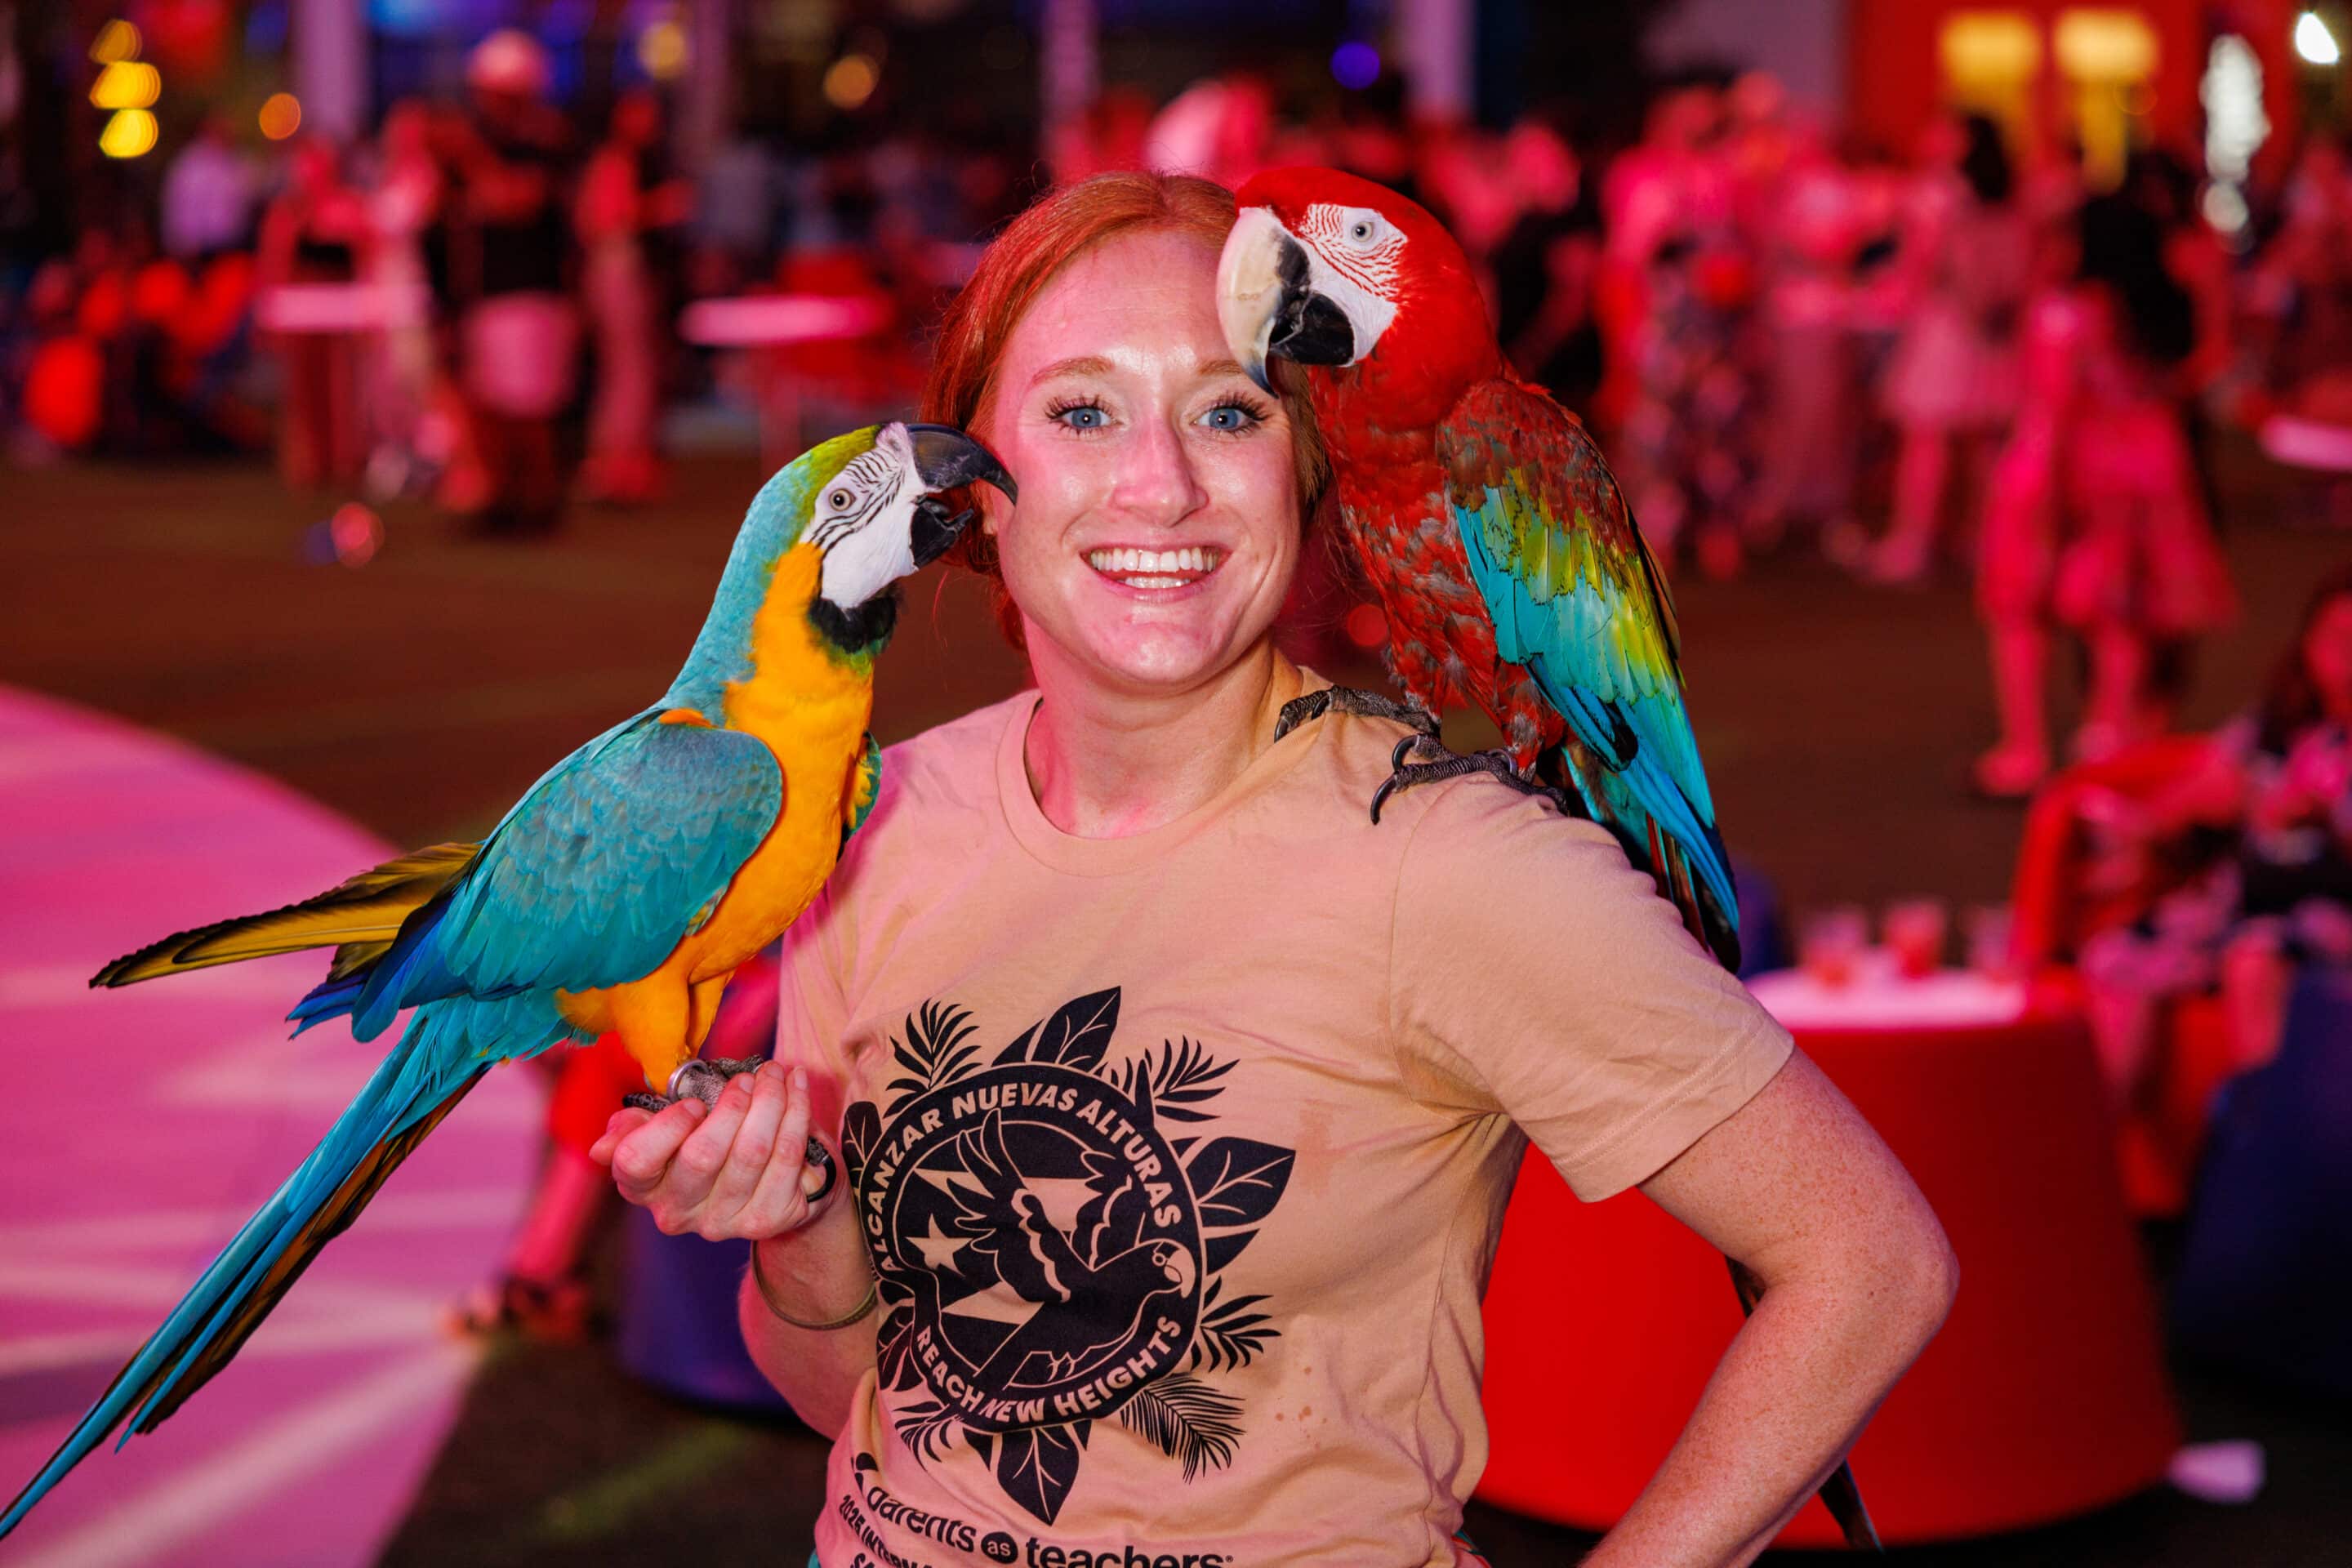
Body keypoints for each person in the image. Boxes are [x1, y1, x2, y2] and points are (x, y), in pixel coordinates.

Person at [593, 172, 1954, 1568]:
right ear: (974, 491)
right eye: (1082, 412)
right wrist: (804, 1221)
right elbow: (864, 1407)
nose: (1163, 484)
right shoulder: (865, 823)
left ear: (1301, 474)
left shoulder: (1450, 867)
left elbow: (1872, 1263)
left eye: (1231, 411)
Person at [1974, 195, 2237, 797]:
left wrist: (2038, 493)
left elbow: (2051, 408)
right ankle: (2109, 732)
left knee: (2020, 607)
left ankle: (2025, 748)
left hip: (2059, 466)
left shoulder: (2062, 314)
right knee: (2117, 609)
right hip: (2137, 467)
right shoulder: (2141, 310)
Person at [2077, 568, 2352, 1105]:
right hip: (2243, 899)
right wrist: (2172, 817)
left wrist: (2325, 822)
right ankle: (2103, 1130)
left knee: (2254, 956)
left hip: (2332, 909)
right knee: (2119, 956)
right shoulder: (2275, 725)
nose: (2346, 658)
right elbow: (2194, 791)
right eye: (2336, 639)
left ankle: (2268, 1133)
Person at [1871, 114, 2034, 584]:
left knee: (1927, 438)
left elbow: (1923, 265)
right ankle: (1983, 540)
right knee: (1984, 441)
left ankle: (1913, 542)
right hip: (1993, 328)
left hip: (1946, 324)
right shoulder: (2004, 192)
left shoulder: (1935, 194)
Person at [575, 89, 691, 505]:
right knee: (630, 373)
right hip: (617, 274)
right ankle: (616, 467)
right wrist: (660, 207)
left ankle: (625, 465)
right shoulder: (615, 161)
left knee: (632, 372)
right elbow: (605, 221)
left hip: (627, 274)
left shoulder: (641, 161)